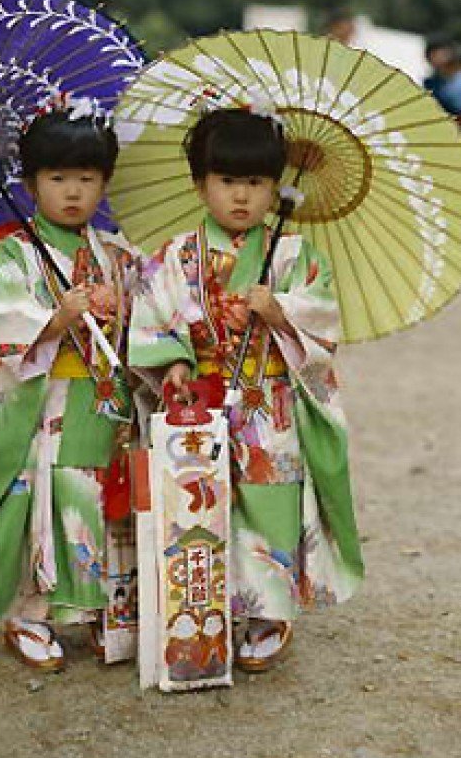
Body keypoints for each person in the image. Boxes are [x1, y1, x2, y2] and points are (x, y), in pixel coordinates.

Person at [128, 108, 364, 673]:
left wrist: (280, 310)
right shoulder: (176, 254)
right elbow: (153, 319)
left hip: (269, 403)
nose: (242, 197)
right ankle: (208, 609)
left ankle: (269, 610)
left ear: (274, 186)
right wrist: (176, 363)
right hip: (203, 403)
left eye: (256, 183)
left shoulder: (292, 254)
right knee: (202, 505)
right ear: (200, 182)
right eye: (227, 181)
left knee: (269, 500)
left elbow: (324, 321)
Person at [0, 103, 138, 672]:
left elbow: (147, 324)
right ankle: (31, 613)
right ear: (30, 182)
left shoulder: (116, 252)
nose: (72, 192)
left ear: (104, 183)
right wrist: (58, 319)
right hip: (47, 403)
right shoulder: (13, 251)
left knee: (105, 496)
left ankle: (100, 610)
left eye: (87, 179)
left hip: (104, 400)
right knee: (51, 498)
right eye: (57, 178)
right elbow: (5, 328)